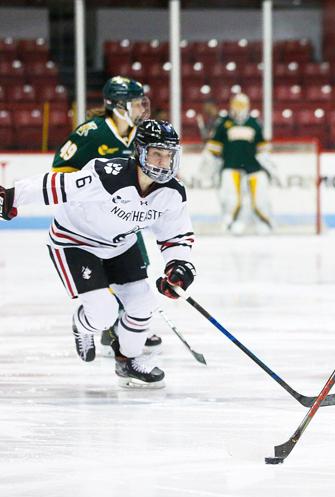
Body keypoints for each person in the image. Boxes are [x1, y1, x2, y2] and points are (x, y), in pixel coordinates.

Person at [0, 120, 196, 388]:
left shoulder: (173, 192)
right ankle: (82, 326)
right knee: (103, 314)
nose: (163, 162)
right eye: (156, 153)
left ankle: (127, 361)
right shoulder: (109, 174)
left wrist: (179, 265)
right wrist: (13, 196)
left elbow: (175, 235)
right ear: (140, 151)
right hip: (75, 243)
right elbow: (60, 185)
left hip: (120, 246)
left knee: (143, 304)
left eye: (169, 155)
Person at [51, 76, 162, 355]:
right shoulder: (92, 132)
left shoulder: (141, 134)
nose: (141, 109)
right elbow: (59, 172)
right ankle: (96, 322)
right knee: (103, 283)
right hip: (91, 226)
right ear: (118, 105)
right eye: (136, 103)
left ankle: (126, 325)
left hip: (126, 221)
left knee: (136, 277)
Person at [205, 92, 272, 233]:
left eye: (243, 104)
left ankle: (264, 223)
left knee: (259, 199)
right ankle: (230, 223)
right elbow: (214, 149)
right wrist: (210, 169)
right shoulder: (224, 123)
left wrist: (269, 167)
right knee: (232, 199)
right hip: (230, 166)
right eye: (237, 104)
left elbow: (263, 149)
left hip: (253, 168)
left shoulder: (254, 123)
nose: (239, 107)